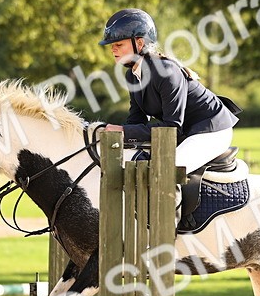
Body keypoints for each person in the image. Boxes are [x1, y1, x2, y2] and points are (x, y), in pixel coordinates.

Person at [98, 9, 239, 173]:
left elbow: (172, 127)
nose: (113, 50)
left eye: (119, 45)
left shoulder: (166, 71)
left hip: (211, 130)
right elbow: (136, 120)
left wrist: (123, 131)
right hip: (186, 133)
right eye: (112, 46)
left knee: (164, 171)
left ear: (139, 43)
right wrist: (113, 134)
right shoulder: (132, 75)